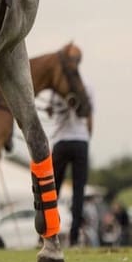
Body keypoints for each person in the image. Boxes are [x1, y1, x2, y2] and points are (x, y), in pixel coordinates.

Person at [49, 84, 94, 246]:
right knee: (79, 190)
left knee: (53, 190)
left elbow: (50, 112)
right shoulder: (87, 86)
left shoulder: (56, 89)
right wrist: (87, 138)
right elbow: (89, 118)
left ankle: (48, 233)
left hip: (61, 141)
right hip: (80, 141)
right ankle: (74, 237)